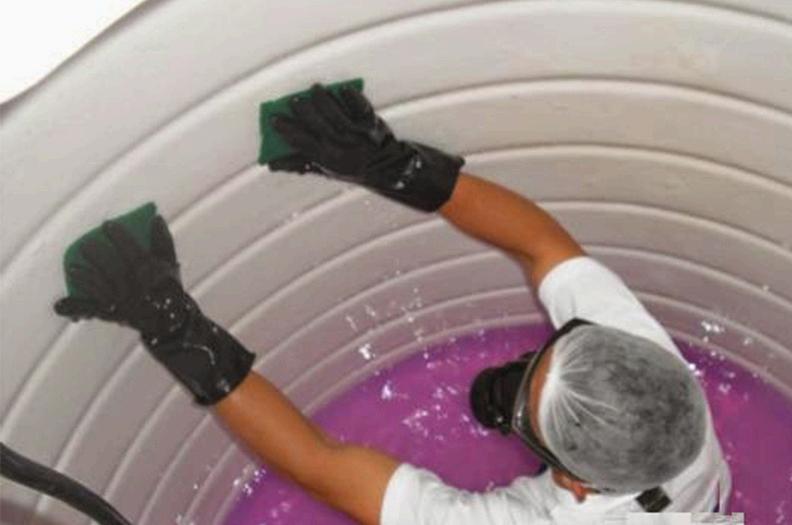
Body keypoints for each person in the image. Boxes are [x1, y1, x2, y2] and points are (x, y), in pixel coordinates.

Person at [54, 84, 731, 524]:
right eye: (563, 347)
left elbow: (320, 462)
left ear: (575, 486)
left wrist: (172, 324)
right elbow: (543, 245)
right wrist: (393, 163)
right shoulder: (659, 386)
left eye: (528, 408)